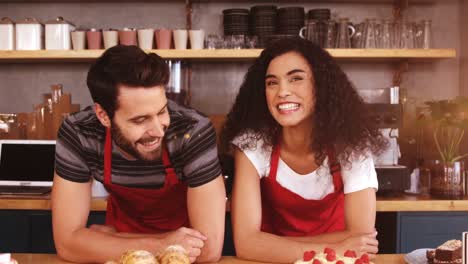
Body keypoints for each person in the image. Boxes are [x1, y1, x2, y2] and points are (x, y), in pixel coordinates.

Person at [52, 45, 226, 263]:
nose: (158, 130)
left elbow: (209, 250)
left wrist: (108, 241)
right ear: (103, 116)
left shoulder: (191, 129)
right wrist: (162, 244)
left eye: (162, 111)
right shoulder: (79, 132)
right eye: (140, 120)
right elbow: (67, 245)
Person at [221, 37, 387, 263]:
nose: (282, 92)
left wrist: (271, 245)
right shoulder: (252, 145)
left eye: (296, 79)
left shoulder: (352, 145)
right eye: (272, 83)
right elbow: (246, 244)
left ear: (321, 85)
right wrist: (337, 246)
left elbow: (360, 238)